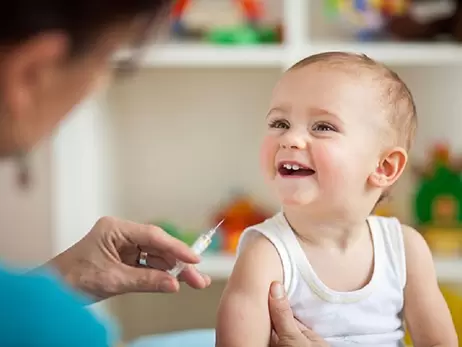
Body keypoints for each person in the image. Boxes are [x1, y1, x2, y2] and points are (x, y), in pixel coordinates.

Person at [0, 1, 315, 346]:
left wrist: (64, 277)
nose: (100, 84)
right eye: (108, 61)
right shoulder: (49, 324)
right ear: (32, 73)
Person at [215, 52, 459, 346]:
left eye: (323, 127)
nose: (289, 138)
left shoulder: (406, 250)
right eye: (280, 123)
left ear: (383, 167)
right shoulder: (266, 254)